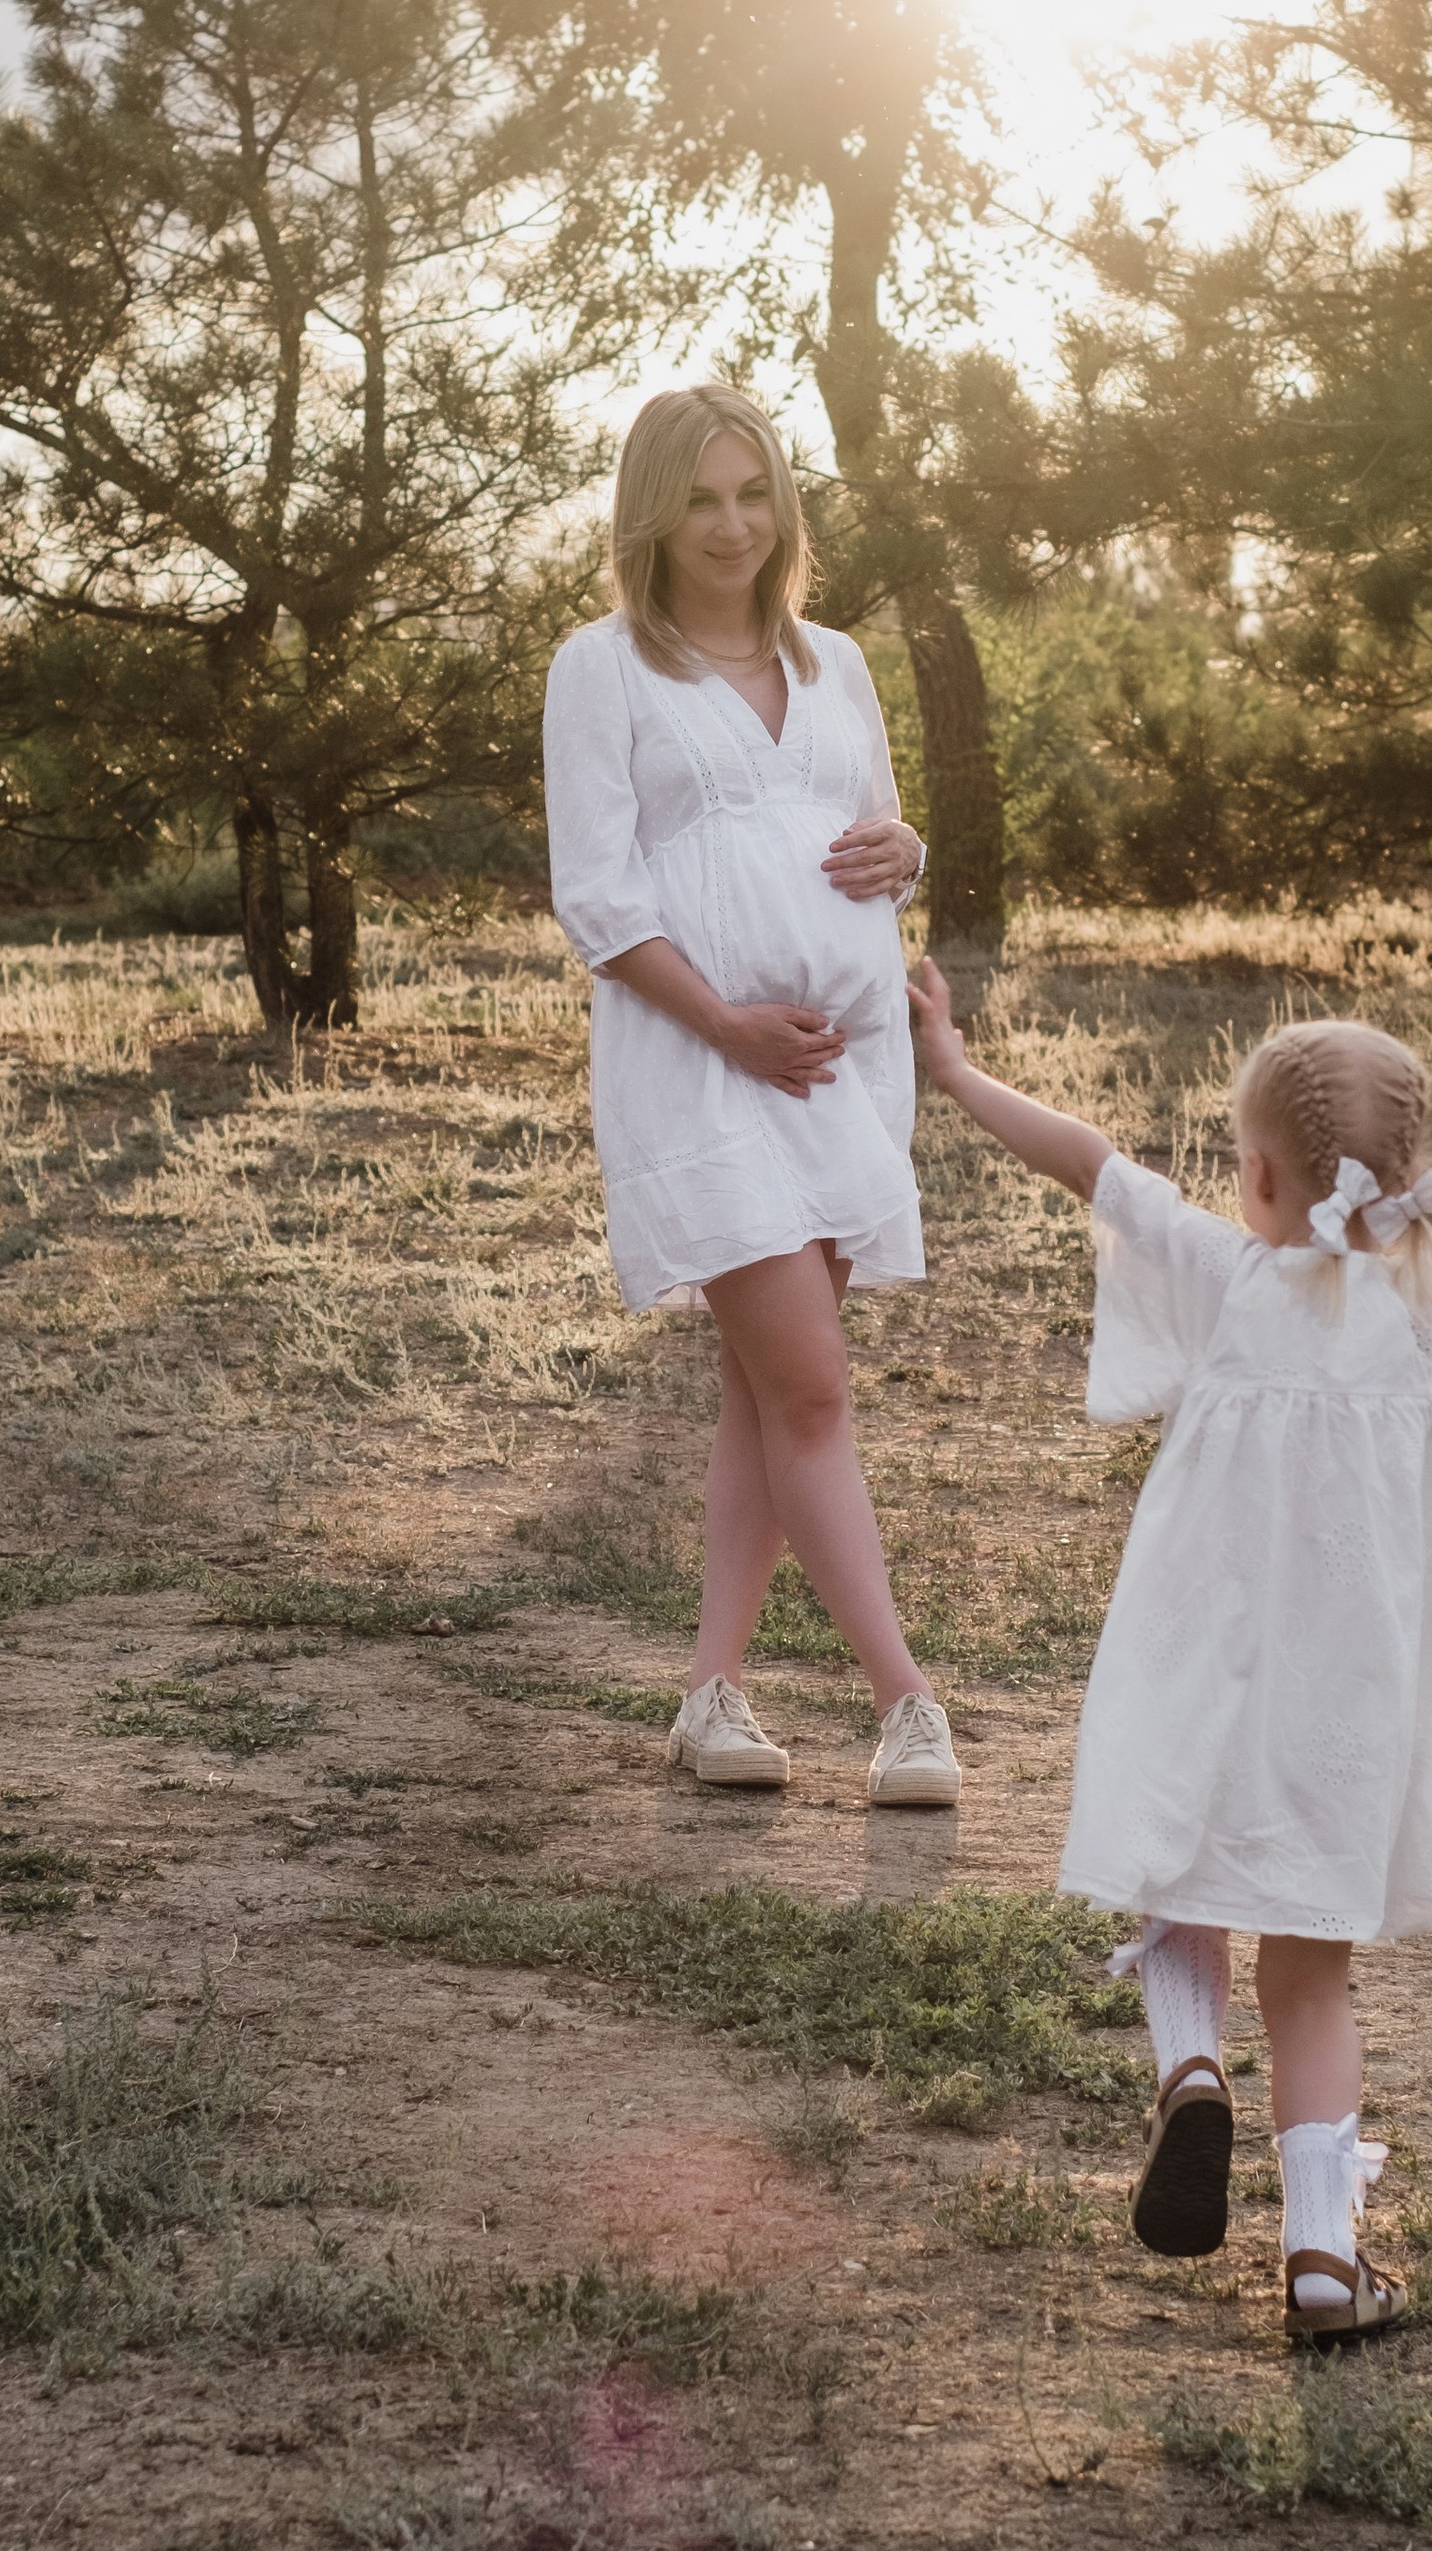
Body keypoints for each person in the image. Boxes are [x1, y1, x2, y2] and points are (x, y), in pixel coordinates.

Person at [907, 964, 1432, 2342]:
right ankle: (1324, 2256)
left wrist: (954, 1067)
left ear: (1262, 1173)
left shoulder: (1225, 1273)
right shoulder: (1426, 1287)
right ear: (1402, 1175)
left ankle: (1189, 2069)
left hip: (1207, 1661)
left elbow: (1088, 1163)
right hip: (1351, 1702)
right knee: (1313, 1971)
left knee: (1182, 1885)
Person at [541, 382, 961, 1809]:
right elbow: (596, 894)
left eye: (754, 493)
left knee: (764, 1393)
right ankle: (906, 1701)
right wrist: (727, 1023)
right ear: (651, 516)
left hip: (840, 1063)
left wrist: (908, 850)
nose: (732, 525)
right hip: (700, 1062)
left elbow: (875, 832)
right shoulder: (603, 668)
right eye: (701, 500)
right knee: (811, 1385)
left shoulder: (835, 661)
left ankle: (711, 1694)